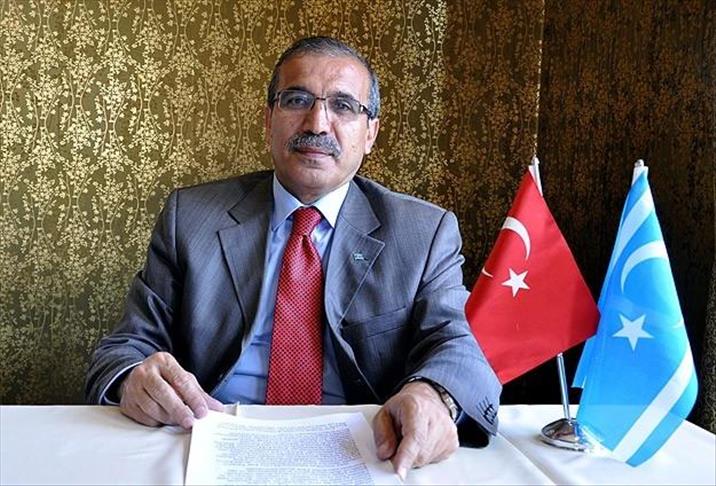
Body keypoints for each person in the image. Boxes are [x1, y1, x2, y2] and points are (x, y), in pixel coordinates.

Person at [86, 36, 501, 479]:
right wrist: (134, 376)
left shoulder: (423, 232)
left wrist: (433, 394)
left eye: (343, 106)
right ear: (269, 121)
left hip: (363, 452)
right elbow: (124, 348)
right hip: (212, 442)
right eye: (297, 100)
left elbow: (458, 346)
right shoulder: (190, 218)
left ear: (370, 134)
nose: (317, 123)